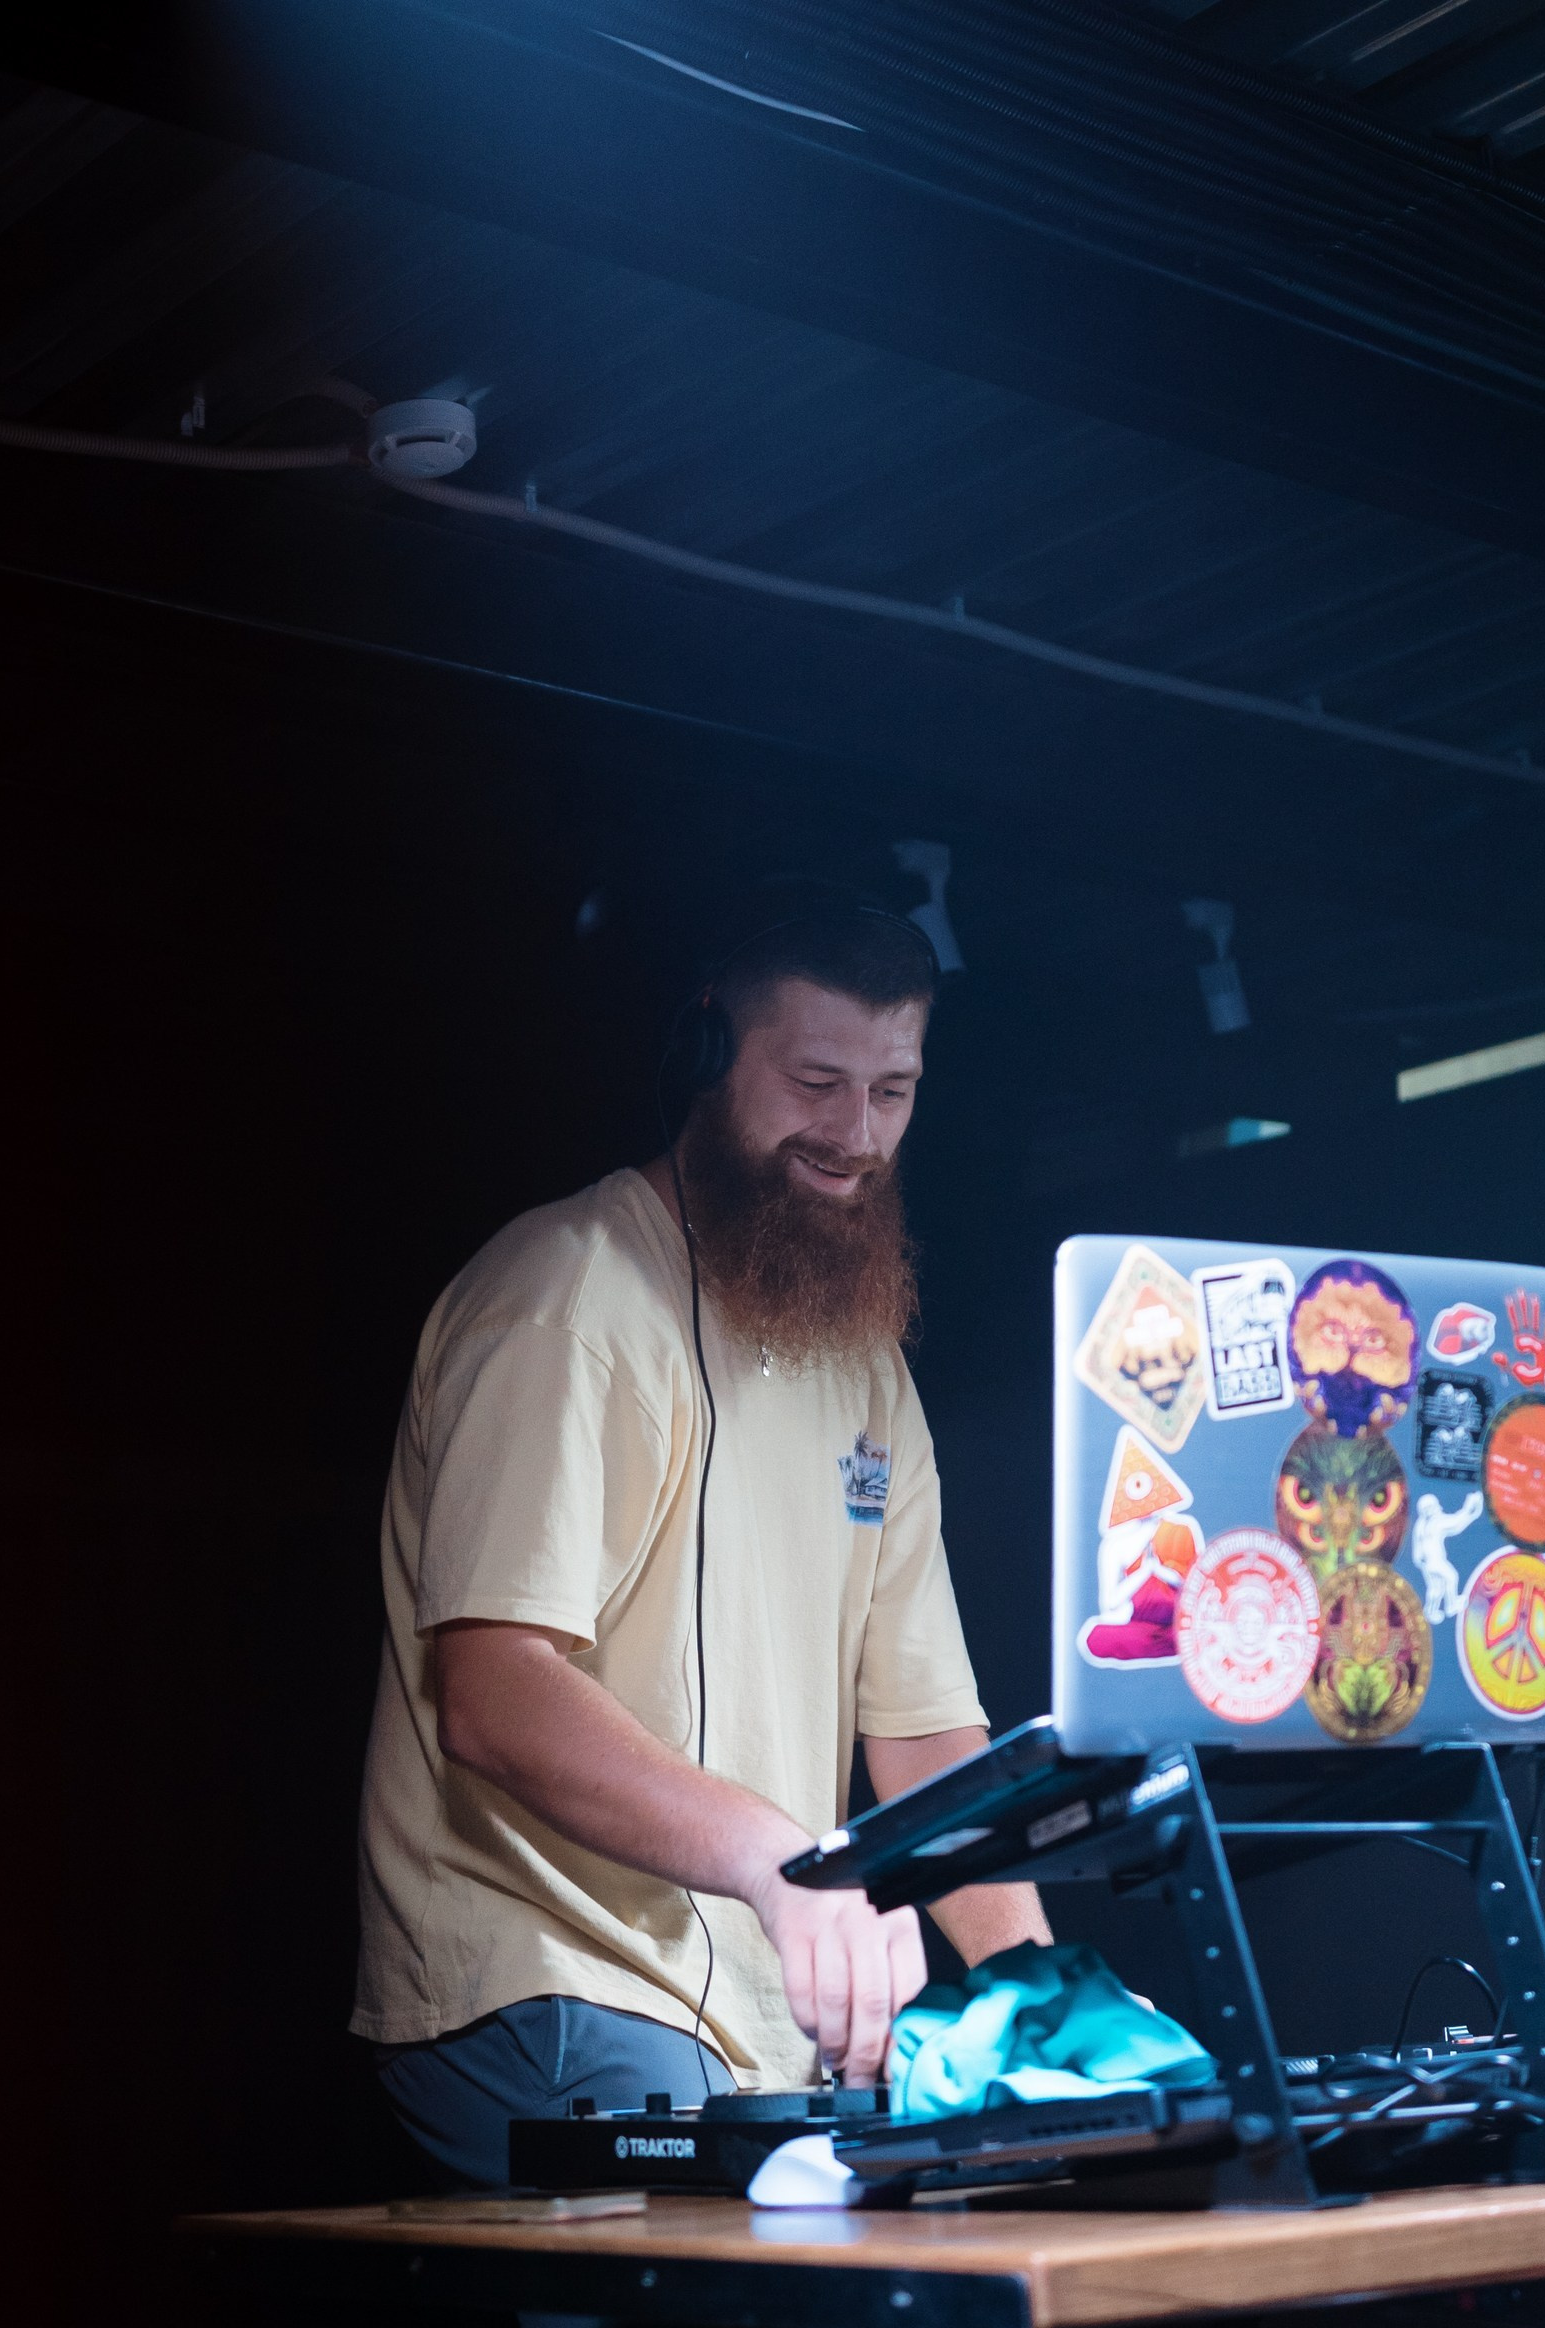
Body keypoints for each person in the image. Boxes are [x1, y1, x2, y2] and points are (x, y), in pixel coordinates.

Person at [354, 896, 1049, 2223]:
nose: (856, 1136)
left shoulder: (867, 1367)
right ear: (708, 1053)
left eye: (892, 1092)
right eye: (816, 1084)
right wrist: (787, 1863)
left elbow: (923, 1737)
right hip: (549, 1984)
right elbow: (493, 1693)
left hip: (763, 2014)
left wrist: (1042, 2000)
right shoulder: (567, 1300)